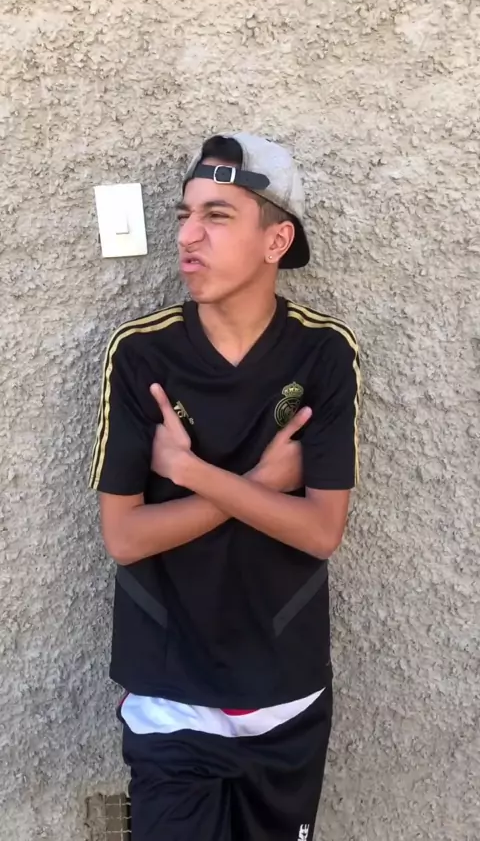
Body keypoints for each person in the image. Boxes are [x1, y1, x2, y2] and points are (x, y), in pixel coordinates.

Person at [88, 132, 360, 841]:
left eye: (217, 215)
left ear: (276, 241)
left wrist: (191, 473)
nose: (187, 236)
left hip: (285, 695)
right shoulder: (141, 353)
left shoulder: (323, 354)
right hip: (171, 693)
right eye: (185, 215)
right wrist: (258, 484)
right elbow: (124, 538)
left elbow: (321, 531)